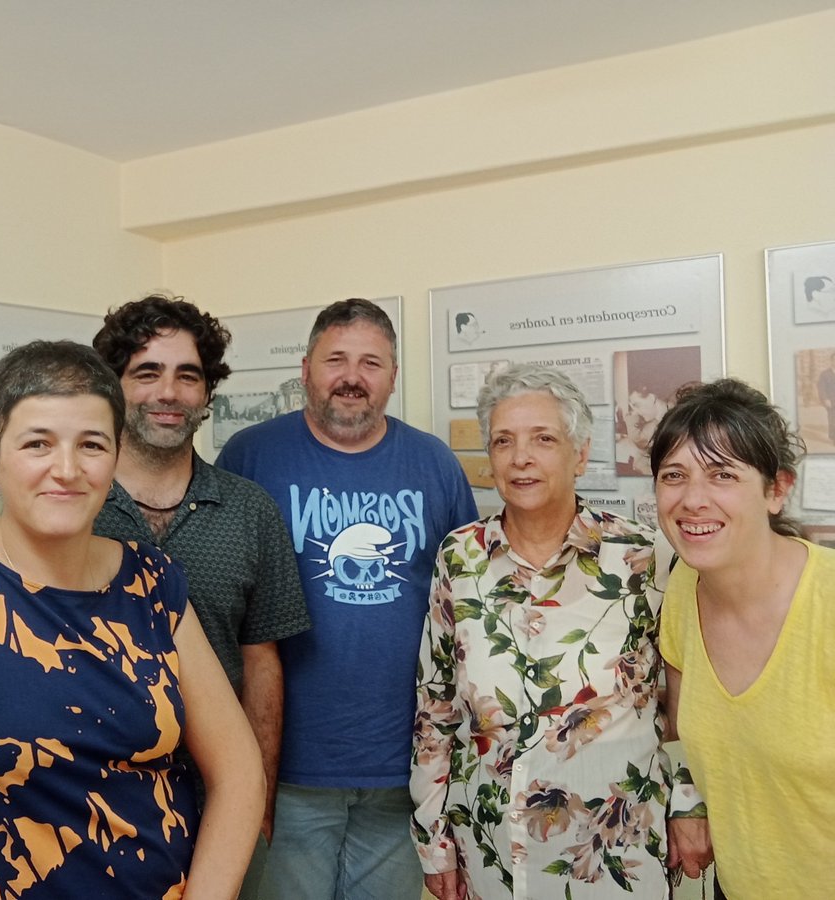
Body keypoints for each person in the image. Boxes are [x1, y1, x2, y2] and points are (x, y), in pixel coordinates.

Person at [0, 340, 264, 899]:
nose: (68, 469)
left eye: (92, 445)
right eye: (38, 443)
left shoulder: (151, 582)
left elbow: (239, 770)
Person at [217, 298, 478, 900]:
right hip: (285, 768)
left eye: (371, 362)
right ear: (306, 369)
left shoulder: (434, 463)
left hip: (402, 764)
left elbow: (466, 605)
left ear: (391, 377)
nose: (352, 377)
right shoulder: (251, 457)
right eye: (336, 359)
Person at [411, 364, 677, 899]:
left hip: (614, 851)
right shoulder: (459, 558)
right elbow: (435, 707)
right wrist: (433, 837)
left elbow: (684, 707)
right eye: (503, 441)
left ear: (579, 454)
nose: (521, 458)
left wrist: (692, 806)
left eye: (543, 439)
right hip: (488, 845)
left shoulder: (644, 557)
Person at [91, 294, 311, 897]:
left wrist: (258, 796)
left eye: (188, 375)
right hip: (91, 809)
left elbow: (262, 664)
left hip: (221, 806)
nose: (169, 392)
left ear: (207, 393)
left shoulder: (250, 511)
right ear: (112, 388)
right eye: (147, 373)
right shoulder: (71, 509)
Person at [651, 378, 833, 898]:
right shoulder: (685, 588)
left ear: (776, 489)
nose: (692, 500)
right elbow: (685, 734)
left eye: (722, 474)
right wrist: (690, 806)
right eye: (674, 476)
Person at [816, 352, 835, 442]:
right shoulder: (825, 374)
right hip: (831, 401)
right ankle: (833, 437)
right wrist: (825, 399)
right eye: (834, 360)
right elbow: (821, 388)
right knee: (833, 419)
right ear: (831, 361)